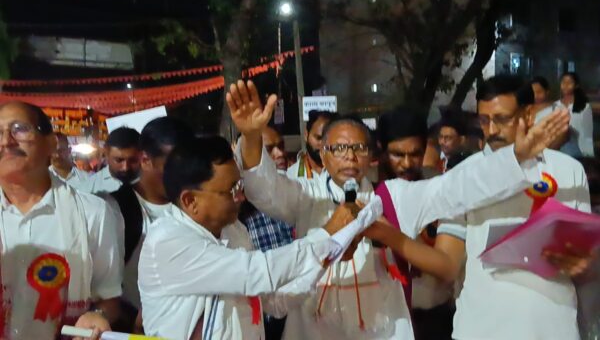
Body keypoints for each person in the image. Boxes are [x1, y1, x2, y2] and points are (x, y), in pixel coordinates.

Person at [226, 79, 569, 340]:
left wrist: (516, 156)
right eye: (339, 148)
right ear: (323, 154)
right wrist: (252, 137)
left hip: (380, 328)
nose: (349, 156)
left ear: (371, 156)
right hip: (314, 328)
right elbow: (264, 190)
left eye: (358, 147)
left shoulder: (391, 198)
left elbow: (454, 188)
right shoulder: (305, 194)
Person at [370, 75, 591, 340]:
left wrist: (584, 264)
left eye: (502, 119)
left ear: (528, 114)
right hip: (483, 327)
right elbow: (448, 263)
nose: (492, 129)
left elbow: (586, 253)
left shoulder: (568, 171)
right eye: (484, 120)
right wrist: (390, 236)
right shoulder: (463, 177)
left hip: (552, 325)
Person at [138, 136, 361, 340]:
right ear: (190, 201)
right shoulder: (167, 241)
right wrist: (327, 234)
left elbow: (274, 300)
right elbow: (255, 273)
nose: (241, 197)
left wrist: (327, 256)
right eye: (231, 190)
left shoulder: (233, 230)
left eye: (240, 185)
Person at [0, 101, 123, 340]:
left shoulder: (93, 213)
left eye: (19, 129)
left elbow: (109, 298)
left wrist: (98, 315)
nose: (6, 141)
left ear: (51, 143)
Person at [109, 117, 193, 331]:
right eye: (174, 167)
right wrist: (133, 318)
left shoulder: (193, 205)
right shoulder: (117, 211)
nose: (184, 176)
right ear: (145, 160)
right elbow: (102, 286)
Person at [377, 107, 454, 340]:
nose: (407, 163)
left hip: (435, 317)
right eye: (397, 154)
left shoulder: (439, 189)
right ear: (381, 150)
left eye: (415, 154)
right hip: (386, 319)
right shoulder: (368, 195)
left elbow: (449, 264)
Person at [241, 125, 295, 339]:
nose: (280, 154)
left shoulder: (295, 192)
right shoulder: (240, 207)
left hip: (301, 308)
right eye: (269, 149)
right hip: (266, 319)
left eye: (281, 146)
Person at [78, 127, 141, 195]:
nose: (125, 167)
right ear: (106, 154)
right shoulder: (88, 190)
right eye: (118, 160)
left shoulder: (149, 183)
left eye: (133, 160)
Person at [287, 110, 338, 180]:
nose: (323, 145)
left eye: (328, 139)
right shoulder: (292, 176)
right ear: (306, 135)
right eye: (318, 138)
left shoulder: (343, 173)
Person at [555, 72, 595, 157]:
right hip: (561, 148)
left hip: (580, 151)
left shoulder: (584, 106)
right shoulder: (556, 105)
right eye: (563, 82)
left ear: (576, 85)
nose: (565, 85)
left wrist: (588, 153)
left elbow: (588, 133)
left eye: (569, 82)